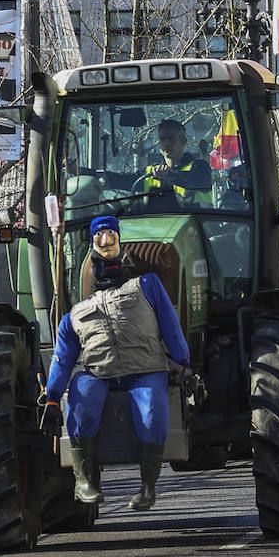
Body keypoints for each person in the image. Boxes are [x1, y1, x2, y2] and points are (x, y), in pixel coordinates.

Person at [39, 215, 190, 512]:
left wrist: (182, 361)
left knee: (151, 412)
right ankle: (84, 481)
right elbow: (63, 356)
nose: (105, 242)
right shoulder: (77, 313)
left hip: (145, 369)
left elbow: (171, 327)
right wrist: (53, 398)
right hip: (99, 372)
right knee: (81, 400)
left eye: (110, 236)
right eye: (99, 237)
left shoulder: (147, 286)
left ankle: (148, 486)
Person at [142, 118, 213, 209]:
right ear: (159, 144)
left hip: (197, 221)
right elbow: (125, 180)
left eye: (171, 138)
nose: (167, 143)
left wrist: (171, 176)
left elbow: (202, 182)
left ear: (183, 141)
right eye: (162, 139)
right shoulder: (150, 173)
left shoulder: (200, 167)